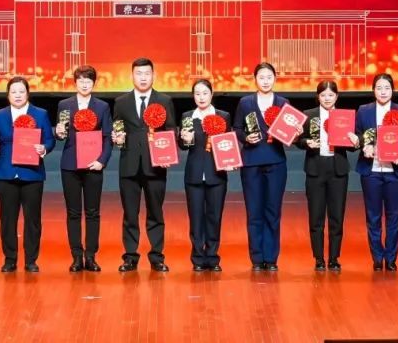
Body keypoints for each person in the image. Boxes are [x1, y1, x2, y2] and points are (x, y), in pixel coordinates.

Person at [112, 57, 177, 272]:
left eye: (147, 74)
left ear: (153, 76)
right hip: (129, 166)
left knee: (155, 213)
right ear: (132, 76)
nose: (143, 78)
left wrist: (167, 153)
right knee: (130, 214)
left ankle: (157, 256)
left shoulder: (164, 100)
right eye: (138, 74)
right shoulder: (121, 102)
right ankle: (130, 257)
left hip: (156, 166)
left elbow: (170, 130)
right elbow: (117, 128)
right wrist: (116, 138)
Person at [0, 76, 55, 273]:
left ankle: (31, 260)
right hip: (6, 173)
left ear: (28, 93)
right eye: (13, 92)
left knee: (32, 220)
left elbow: (50, 139)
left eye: (21, 91)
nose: (17, 95)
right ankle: (10, 259)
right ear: (8, 95)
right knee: (7, 220)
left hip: (32, 173)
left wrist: (44, 148)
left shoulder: (40, 114)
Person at [55, 65, 112, 272]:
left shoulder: (102, 107)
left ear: (94, 83)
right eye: (81, 80)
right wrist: (58, 132)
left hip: (93, 166)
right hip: (70, 165)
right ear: (75, 82)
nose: (84, 84)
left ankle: (91, 256)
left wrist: (102, 161)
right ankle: (77, 257)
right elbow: (61, 135)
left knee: (93, 212)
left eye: (88, 81)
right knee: (73, 213)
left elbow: (108, 137)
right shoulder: (64, 105)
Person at [298, 80, 359, 272]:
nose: (327, 98)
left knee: (337, 217)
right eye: (323, 95)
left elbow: (354, 144)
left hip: (337, 169)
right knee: (316, 217)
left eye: (331, 95)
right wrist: (306, 142)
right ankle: (318, 258)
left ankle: (333, 258)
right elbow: (298, 140)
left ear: (337, 96)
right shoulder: (309, 115)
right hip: (315, 169)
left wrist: (355, 141)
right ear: (318, 97)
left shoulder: (345, 117)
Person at [233, 62, 289, 272]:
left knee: (273, 211)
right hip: (251, 162)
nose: (265, 81)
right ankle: (257, 258)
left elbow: (290, 131)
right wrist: (246, 138)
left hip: (276, 162)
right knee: (254, 211)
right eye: (261, 77)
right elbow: (237, 128)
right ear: (255, 79)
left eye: (269, 77)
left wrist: (294, 131)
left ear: (275, 79)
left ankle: (271, 258)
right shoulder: (245, 102)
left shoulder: (283, 103)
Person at [355, 73, 398, 271]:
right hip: (371, 171)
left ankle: (391, 258)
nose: (383, 92)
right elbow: (358, 134)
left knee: (394, 216)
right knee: (373, 217)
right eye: (379, 88)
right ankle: (377, 258)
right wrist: (364, 145)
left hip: (394, 172)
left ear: (392, 90)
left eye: (387, 88)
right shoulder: (364, 111)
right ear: (373, 90)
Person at [179, 79, 232, 272]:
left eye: (205, 93)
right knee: (196, 219)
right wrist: (184, 139)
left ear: (211, 94)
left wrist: (230, 159)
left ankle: (213, 257)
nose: (201, 97)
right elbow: (182, 145)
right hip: (194, 175)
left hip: (216, 174)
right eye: (197, 94)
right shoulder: (187, 116)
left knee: (214, 217)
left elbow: (228, 143)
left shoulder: (223, 116)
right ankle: (197, 259)